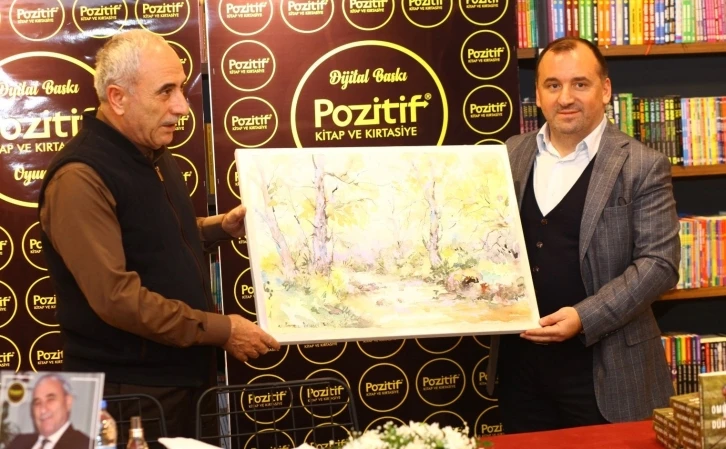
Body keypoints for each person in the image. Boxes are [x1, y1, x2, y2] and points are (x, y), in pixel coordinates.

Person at [37, 29, 280, 438]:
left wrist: (219, 228)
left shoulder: (152, 153)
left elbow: (152, 237)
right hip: (128, 396)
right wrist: (222, 330)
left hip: (182, 383)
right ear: (118, 98)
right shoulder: (80, 176)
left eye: (181, 89)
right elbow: (116, 297)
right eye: (165, 91)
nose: (182, 106)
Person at [486, 36, 680, 433]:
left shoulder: (642, 165)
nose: (565, 98)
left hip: (607, 370)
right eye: (553, 85)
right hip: (520, 370)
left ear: (605, 90)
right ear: (538, 94)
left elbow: (659, 264)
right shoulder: (509, 153)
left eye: (580, 83)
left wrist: (583, 317)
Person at [6, 374, 91, 449]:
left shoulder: (85, 445)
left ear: (68, 402)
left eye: (50, 399)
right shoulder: (19, 442)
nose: (43, 410)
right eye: (37, 402)